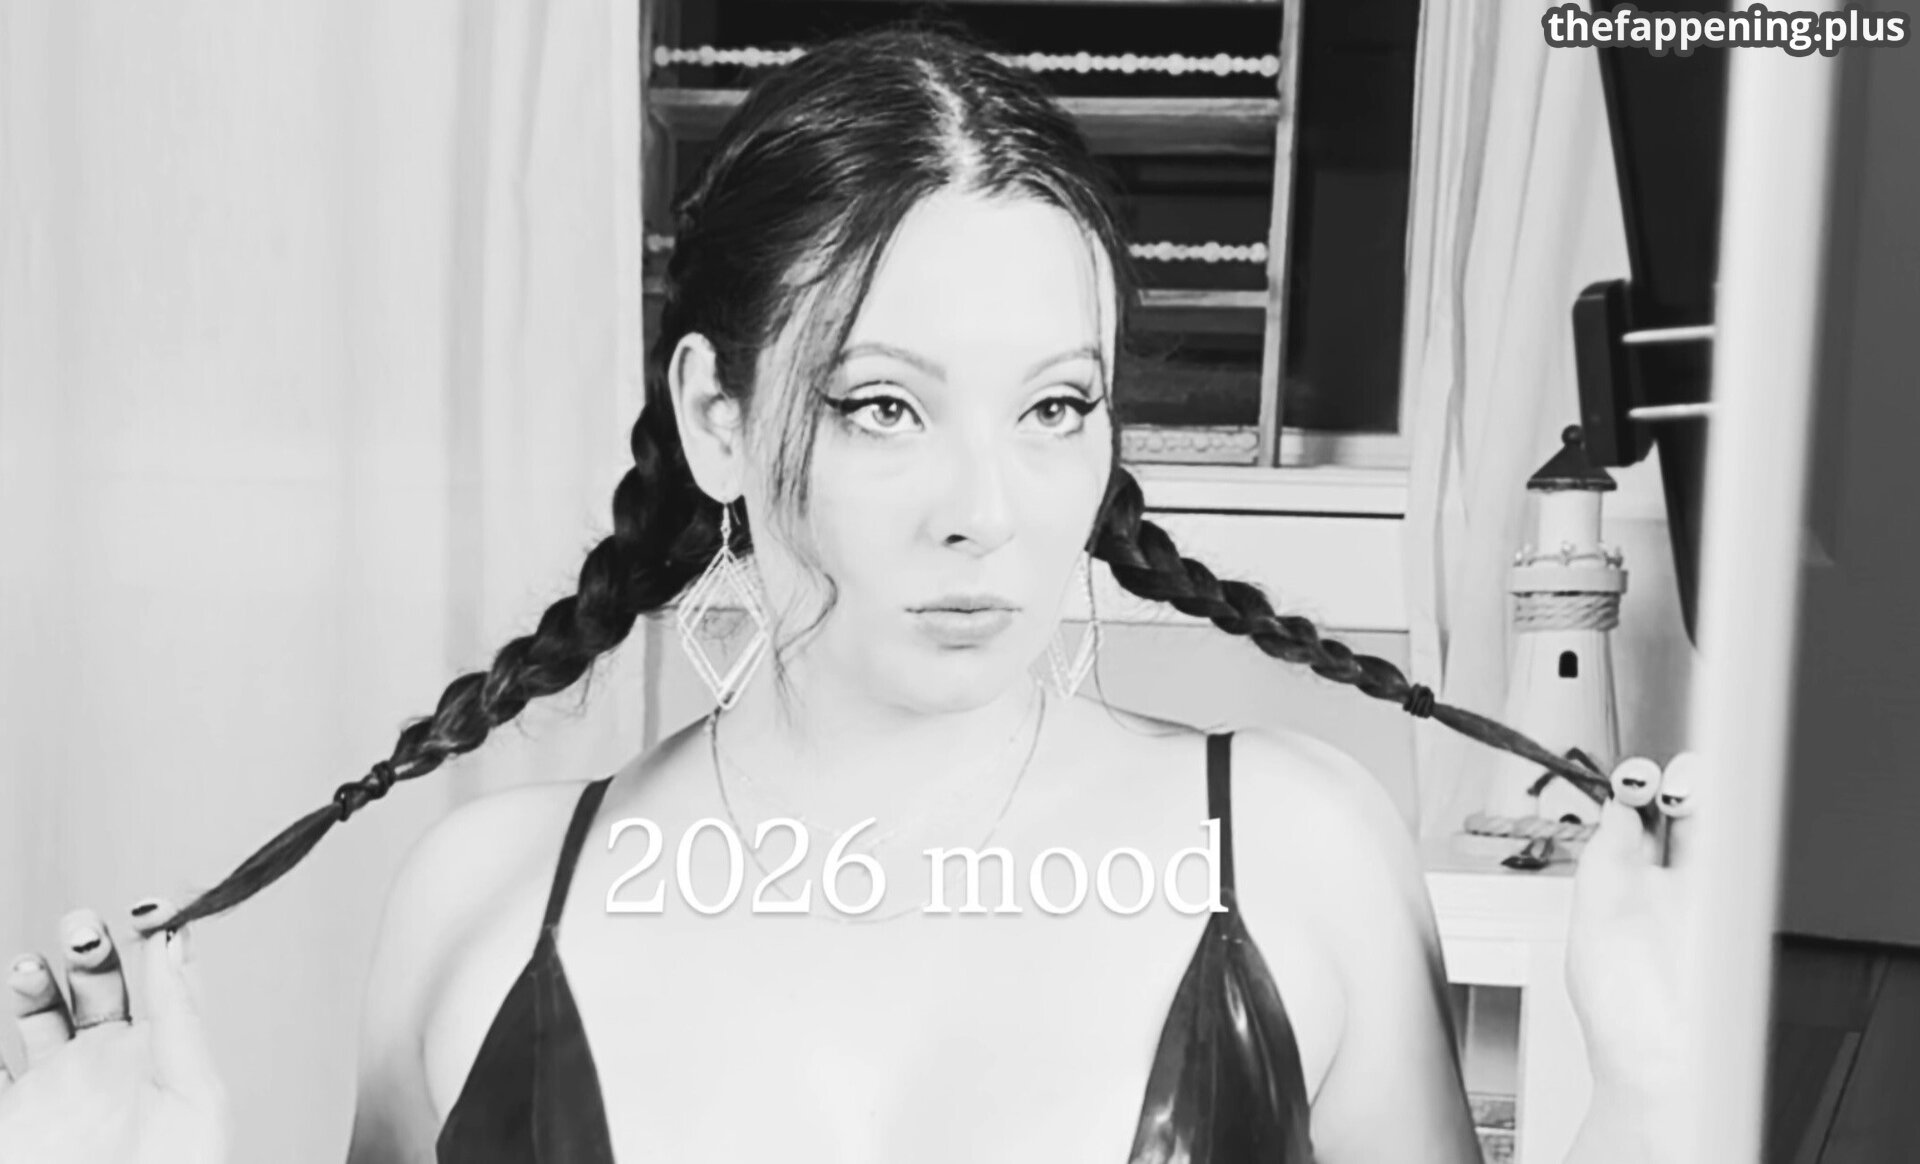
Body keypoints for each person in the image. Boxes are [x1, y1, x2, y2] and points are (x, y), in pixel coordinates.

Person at [0, 25, 1694, 1164]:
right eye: (885, 406)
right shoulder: (481, 910)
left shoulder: (1304, 859)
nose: (989, 513)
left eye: (1056, 408)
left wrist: (1654, 1101)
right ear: (716, 420)